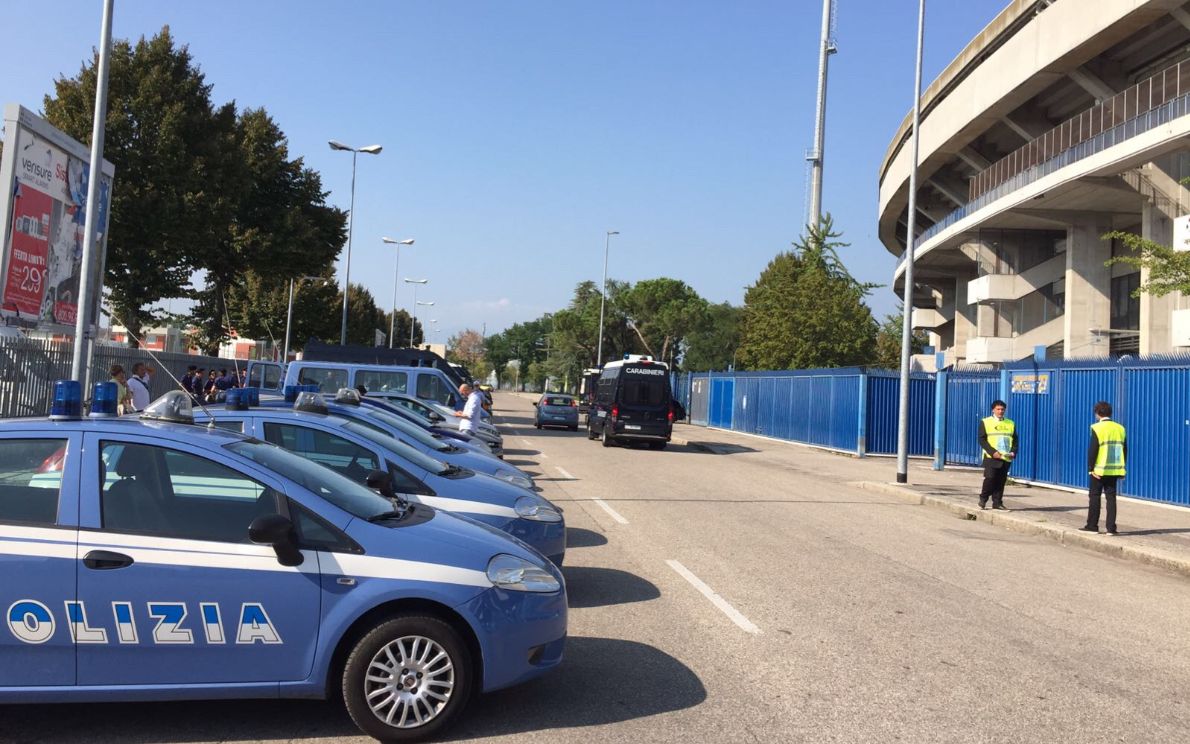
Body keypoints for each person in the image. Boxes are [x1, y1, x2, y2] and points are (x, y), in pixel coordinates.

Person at [1082, 401, 1126, 536]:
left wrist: (1091, 468)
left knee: (1095, 496)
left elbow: (1093, 450)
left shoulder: (1097, 428)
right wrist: (1122, 469)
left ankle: (1092, 526)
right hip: (1114, 469)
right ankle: (1111, 528)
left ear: (1097, 413)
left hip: (1099, 470)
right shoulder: (1120, 428)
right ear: (1110, 413)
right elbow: (1125, 449)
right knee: (1111, 498)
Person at [978, 399, 1016, 510]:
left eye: (1002, 409)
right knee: (990, 478)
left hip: (1005, 456)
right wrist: (993, 452)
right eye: (998, 409)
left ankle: (997, 502)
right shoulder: (985, 422)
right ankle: (983, 498)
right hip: (991, 456)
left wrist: (1013, 451)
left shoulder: (1010, 423)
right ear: (993, 410)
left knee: (1001, 480)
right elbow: (982, 439)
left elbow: (1015, 439)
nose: (1000, 411)